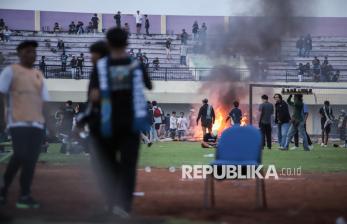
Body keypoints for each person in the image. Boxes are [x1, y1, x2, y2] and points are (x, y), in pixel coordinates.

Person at [88, 28, 152, 216]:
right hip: (131, 123)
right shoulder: (136, 65)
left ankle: (110, 203)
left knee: (108, 166)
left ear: (108, 44)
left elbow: (93, 95)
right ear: (126, 43)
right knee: (129, 167)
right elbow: (148, 85)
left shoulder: (100, 67)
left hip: (107, 123)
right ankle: (124, 207)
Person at [0, 40, 50, 208]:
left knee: (31, 160)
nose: (32, 55)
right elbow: (2, 95)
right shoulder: (10, 71)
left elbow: (44, 101)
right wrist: (2, 119)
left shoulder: (38, 74)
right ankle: (3, 189)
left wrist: (46, 124)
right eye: (28, 51)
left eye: (34, 52)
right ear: (20, 53)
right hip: (18, 121)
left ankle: (24, 195)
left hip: (37, 124)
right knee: (20, 154)